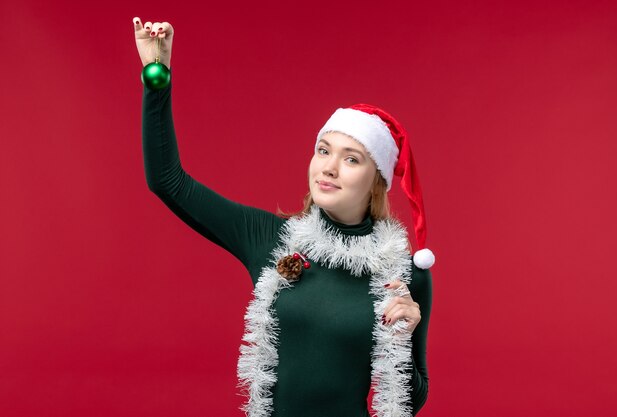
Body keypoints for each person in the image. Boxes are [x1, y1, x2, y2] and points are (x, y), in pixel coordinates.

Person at [134, 17, 434, 417]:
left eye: (351, 159)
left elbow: (409, 401)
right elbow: (168, 181)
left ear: (376, 180)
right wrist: (158, 78)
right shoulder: (272, 238)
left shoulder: (404, 274)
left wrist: (405, 330)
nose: (328, 168)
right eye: (323, 151)